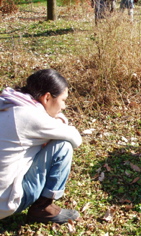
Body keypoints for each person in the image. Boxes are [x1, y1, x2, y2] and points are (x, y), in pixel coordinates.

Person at [0, 69, 82, 224]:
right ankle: (43, 209)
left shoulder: (9, 103)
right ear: (47, 97)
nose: (64, 106)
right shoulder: (30, 116)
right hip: (4, 203)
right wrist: (57, 121)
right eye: (63, 100)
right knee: (62, 146)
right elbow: (75, 138)